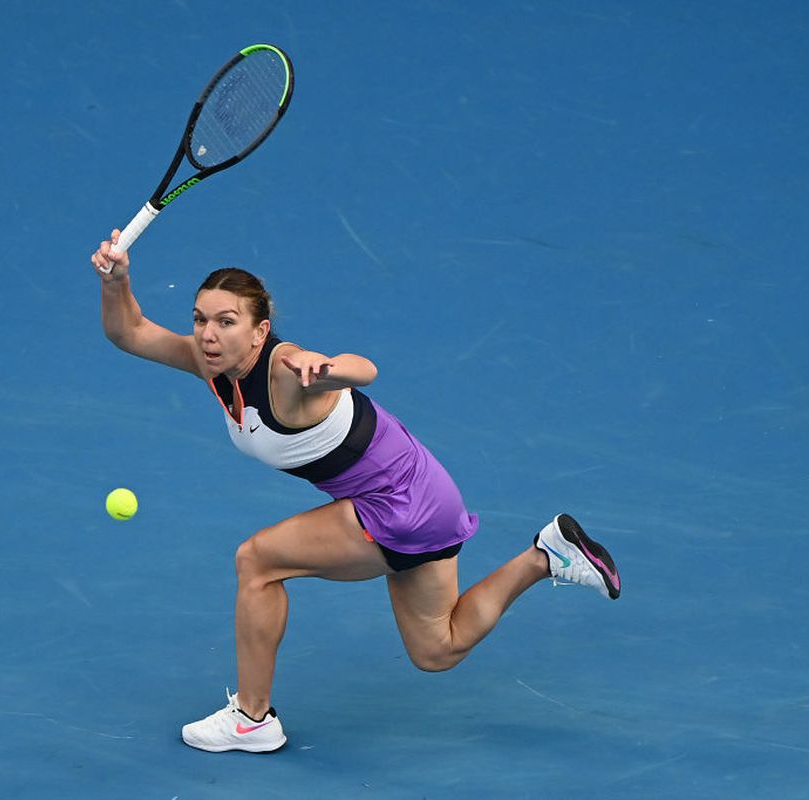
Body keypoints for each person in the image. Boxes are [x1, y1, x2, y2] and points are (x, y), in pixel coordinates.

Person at [90, 230, 621, 754]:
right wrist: (119, 280)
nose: (208, 333)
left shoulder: (283, 368)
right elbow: (130, 332)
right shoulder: (211, 365)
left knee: (257, 561)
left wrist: (325, 367)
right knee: (437, 650)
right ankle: (545, 555)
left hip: (398, 504)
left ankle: (252, 719)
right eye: (201, 319)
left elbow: (364, 370)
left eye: (227, 322)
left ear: (260, 331)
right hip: (429, 494)